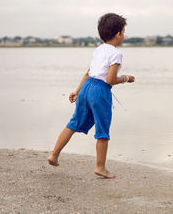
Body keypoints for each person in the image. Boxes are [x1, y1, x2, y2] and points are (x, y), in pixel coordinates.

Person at [48, 13, 135, 179]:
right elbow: (110, 79)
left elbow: (89, 72)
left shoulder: (98, 50)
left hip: (87, 87)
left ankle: (54, 155)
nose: (124, 35)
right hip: (100, 91)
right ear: (118, 34)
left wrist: (78, 90)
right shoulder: (116, 54)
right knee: (102, 129)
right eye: (123, 31)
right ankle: (100, 167)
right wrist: (126, 78)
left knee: (73, 123)